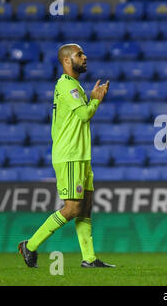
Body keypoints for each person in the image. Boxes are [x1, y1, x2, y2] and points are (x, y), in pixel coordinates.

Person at [18, 43, 114, 268]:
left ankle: (89, 259)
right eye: (79, 54)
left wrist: (92, 99)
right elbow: (84, 114)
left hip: (81, 155)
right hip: (69, 155)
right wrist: (96, 100)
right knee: (72, 208)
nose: (85, 57)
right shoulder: (66, 85)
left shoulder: (75, 86)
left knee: (86, 205)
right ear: (66, 61)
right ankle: (30, 245)